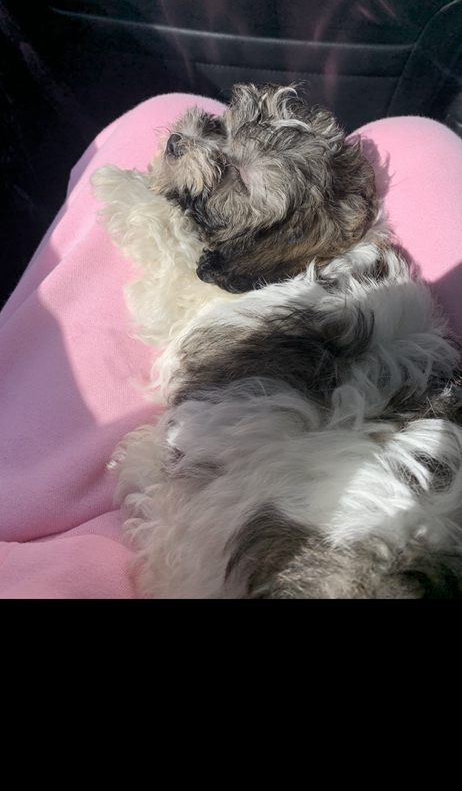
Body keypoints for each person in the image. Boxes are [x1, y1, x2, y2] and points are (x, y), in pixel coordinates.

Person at [1, 94, 461, 598]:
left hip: (264, 547)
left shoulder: (247, 289)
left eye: (237, 178)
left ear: (274, 244)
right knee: (424, 142)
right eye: (225, 123)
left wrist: (137, 204)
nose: (189, 135)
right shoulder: (347, 277)